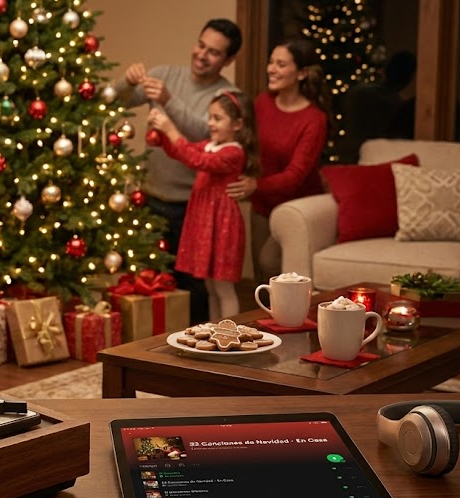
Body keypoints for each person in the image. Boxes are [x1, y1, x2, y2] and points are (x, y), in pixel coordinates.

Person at [114, 18, 243, 324]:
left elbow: (205, 136)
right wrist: (127, 82)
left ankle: (201, 342)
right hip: (150, 196)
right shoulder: (165, 74)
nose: (202, 55)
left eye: (214, 52)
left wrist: (168, 102)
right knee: (148, 284)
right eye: (201, 45)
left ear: (228, 60)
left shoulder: (227, 96)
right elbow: (114, 100)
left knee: (195, 288)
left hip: (193, 207)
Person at [147, 89, 259, 320]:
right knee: (210, 286)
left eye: (218, 118)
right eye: (210, 117)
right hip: (205, 220)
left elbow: (197, 160)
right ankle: (214, 329)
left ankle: (228, 331)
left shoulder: (233, 153)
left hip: (221, 224)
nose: (210, 123)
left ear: (238, 125)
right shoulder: (210, 144)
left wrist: (171, 129)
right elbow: (182, 152)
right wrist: (163, 134)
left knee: (223, 286)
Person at [227, 38, 330, 284]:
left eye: (281, 65)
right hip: (263, 204)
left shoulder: (314, 120)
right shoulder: (263, 103)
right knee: (262, 278)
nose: (271, 69)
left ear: (302, 73)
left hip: (297, 208)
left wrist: (255, 185)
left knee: (270, 263)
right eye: (271, 62)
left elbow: (295, 176)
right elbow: (246, 143)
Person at [335, 51, 417, 163]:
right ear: (407, 79)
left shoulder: (357, 93)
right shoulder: (397, 105)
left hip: (349, 154)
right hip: (374, 157)